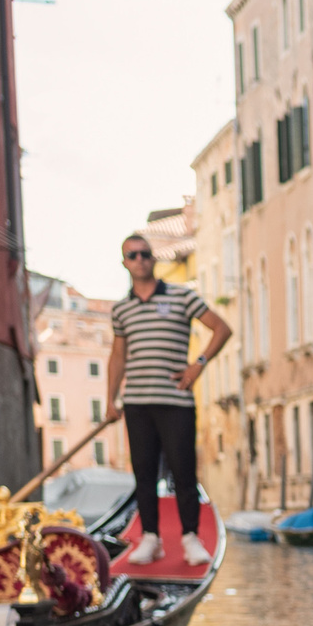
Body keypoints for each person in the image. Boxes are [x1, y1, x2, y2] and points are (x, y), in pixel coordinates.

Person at [106, 232, 230, 567]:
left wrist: (197, 366)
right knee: (144, 474)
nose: (140, 259)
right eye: (132, 255)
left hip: (176, 401)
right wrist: (110, 400)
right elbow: (118, 356)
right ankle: (151, 538)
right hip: (137, 403)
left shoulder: (181, 296)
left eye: (145, 254)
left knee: (183, 471)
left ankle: (190, 537)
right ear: (124, 263)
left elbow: (221, 328)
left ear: (153, 258)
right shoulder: (121, 309)